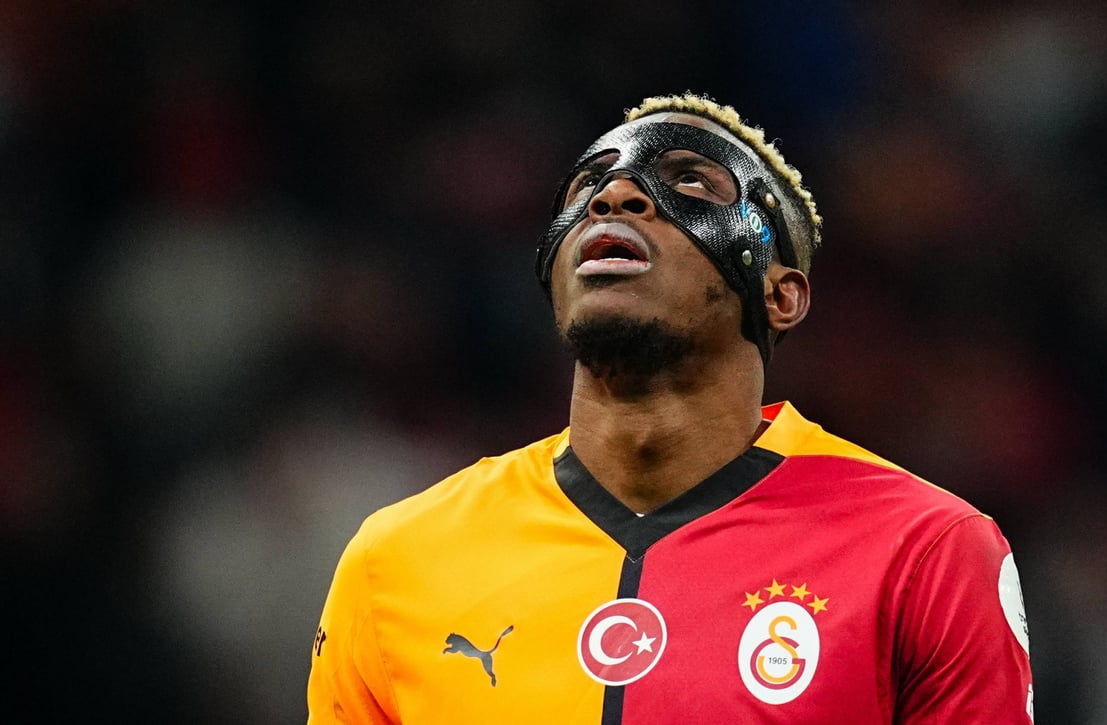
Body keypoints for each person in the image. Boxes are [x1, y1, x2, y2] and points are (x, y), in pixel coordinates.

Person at [307, 94, 1034, 723]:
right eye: (586, 188)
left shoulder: (923, 551)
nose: (614, 197)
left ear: (780, 294)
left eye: (690, 180)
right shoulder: (396, 562)